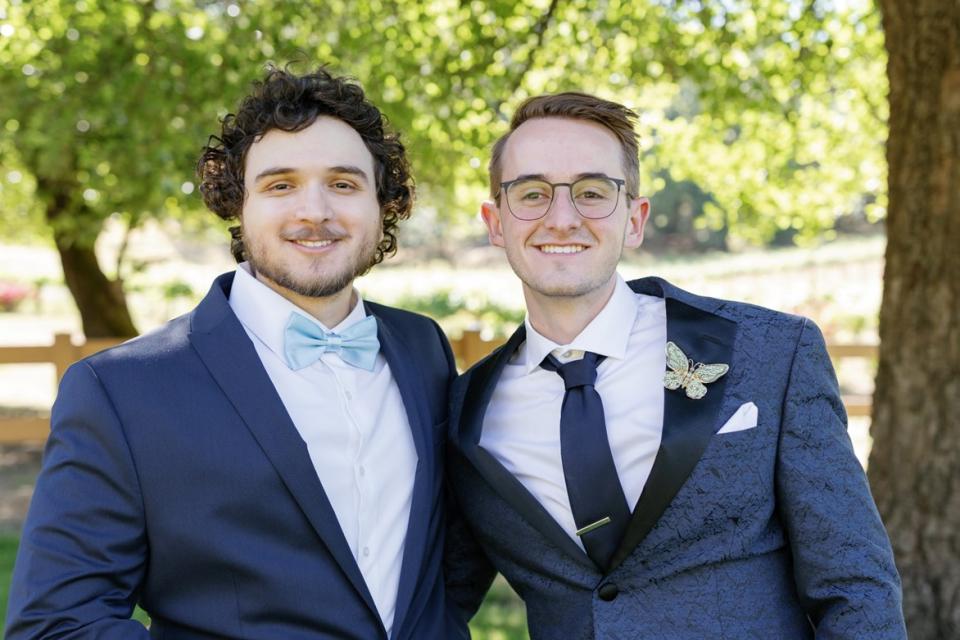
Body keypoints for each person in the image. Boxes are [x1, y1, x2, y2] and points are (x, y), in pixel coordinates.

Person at [6, 67, 458, 640]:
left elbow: (444, 562)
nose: (313, 211)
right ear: (236, 203)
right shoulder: (122, 391)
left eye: (344, 184)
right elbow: (57, 624)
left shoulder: (423, 349)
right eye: (280, 185)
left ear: (384, 203)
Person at [444, 92, 906, 639]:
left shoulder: (772, 352)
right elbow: (440, 600)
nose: (562, 218)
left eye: (593, 192)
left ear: (634, 219)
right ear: (496, 222)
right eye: (532, 193)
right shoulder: (464, 413)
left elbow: (856, 588)